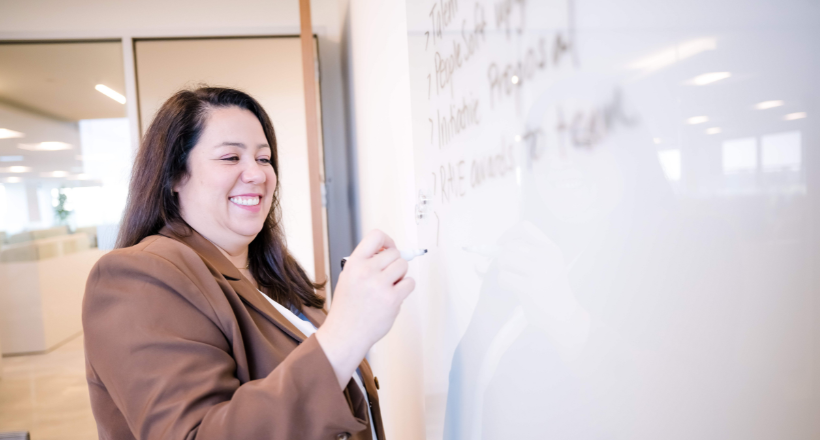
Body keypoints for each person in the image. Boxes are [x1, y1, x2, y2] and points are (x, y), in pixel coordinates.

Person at [82, 87, 415, 440]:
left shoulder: (273, 272)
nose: (257, 174)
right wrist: (346, 335)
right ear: (176, 175)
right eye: (230, 158)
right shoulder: (139, 277)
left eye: (264, 158)